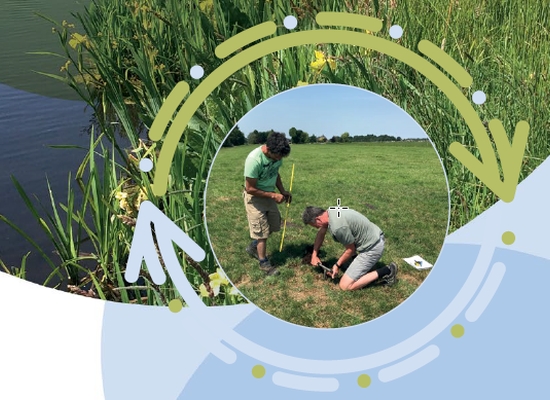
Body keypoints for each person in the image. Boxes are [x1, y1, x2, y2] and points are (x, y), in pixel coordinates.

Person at [301, 205, 398, 290]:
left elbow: (351, 249)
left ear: (318, 219)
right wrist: (314, 255)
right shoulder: (331, 212)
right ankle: (358, 262)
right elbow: (321, 232)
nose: (317, 228)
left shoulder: (338, 227)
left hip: (372, 248)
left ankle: (388, 270)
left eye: (314, 225)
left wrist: (337, 265)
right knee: (347, 264)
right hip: (374, 236)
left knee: (345, 285)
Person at [243, 132, 292, 276]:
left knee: (273, 225)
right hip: (255, 198)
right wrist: (272, 195)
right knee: (262, 232)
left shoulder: (277, 157)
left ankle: (254, 247)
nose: (280, 159)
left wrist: (283, 191)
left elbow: (275, 173)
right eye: (278, 156)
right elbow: (249, 188)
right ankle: (264, 263)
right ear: (269, 149)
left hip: (269, 196)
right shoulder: (254, 160)